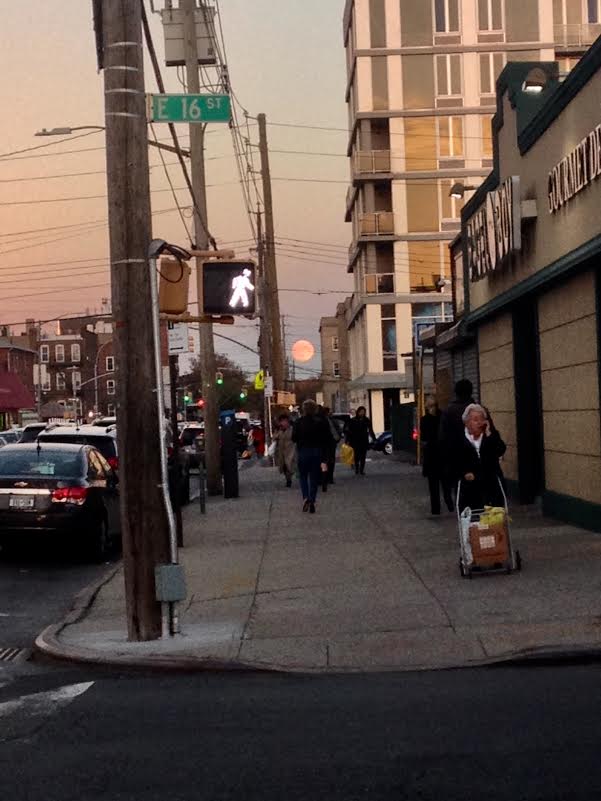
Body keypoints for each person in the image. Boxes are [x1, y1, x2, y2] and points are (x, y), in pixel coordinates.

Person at [451, 403, 507, 512]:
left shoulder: (491, 435)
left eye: (482, 419)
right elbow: (452, 462)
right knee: (474, 525)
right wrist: (463, 473)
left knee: (495, 524)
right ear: (466, 422)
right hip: (470, 491)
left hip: (492, 487)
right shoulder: (458, 440)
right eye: (476, 419)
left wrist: (489, 434)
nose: (480, 422)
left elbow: (501, 450)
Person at [292, 399, 330, 513]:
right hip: (317, 451)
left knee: (303, 476)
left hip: (303, 451)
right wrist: (325, 457)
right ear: (315, 409)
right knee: (313, 478)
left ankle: (305, 497)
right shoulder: (321, 422)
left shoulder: (298, 422)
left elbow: (294, 438)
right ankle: (312, 500)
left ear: (303, 409)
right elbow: (326, 439)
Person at [420, 397, 453, 516]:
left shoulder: (425, 420)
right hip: (442, 454)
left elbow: (424, 438)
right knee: (445, 482)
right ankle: (448, 502)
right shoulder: (444, 416)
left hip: (433, 455)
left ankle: (436, 509)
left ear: (428, 406)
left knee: (434, 484)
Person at [345, 406, 375, 475]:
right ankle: (357, 469)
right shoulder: (353, 420)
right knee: (356, 456)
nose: (362, 413)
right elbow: (349, 431)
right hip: (355, 440)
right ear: (358, 412)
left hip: (363, 440)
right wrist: (347, 440)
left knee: (363, 456)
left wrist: (374, 439)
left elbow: (370, 430)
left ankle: (361, 470)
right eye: (361, 412)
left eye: (363, 412)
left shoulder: (366, 420)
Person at [273, 414, 297, 488]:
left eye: (285, 421)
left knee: (289, 465)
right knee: (283, 466)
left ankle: (289, 478)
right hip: (281, 451)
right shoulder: (279, 430)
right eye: (282, 421)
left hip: (290, 450)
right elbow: (274, 437)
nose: (283, 423)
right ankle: (288, 479)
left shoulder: (292, 429)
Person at [320, 407, 341, 491]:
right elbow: (337, 431)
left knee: (326, 461)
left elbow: (337, 430)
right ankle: (328, 478)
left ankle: (326, 478)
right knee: (328, 461)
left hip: (327, 443)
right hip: (329, 443)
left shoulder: (328, 420)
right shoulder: (328, 420)